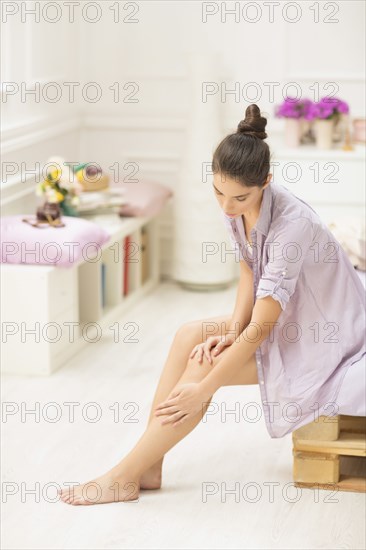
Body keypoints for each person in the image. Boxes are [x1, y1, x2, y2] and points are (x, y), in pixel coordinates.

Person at [59, 104, 366, 506]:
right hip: (287, 315)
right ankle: (149, 464)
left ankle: (124, 476)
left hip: (324, 332)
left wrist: (203, 389)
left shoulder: (293, 226)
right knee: (191, 334)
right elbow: (247, 272)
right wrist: (230, 332)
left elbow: (264, 327)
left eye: (239, 196)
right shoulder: (236, 203)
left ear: (266, 182)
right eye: (218, 191)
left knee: (201, 367)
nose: (226, 206)